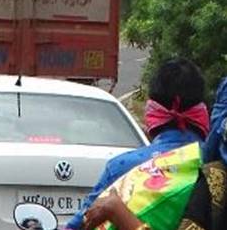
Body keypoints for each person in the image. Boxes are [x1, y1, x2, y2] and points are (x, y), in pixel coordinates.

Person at [66, 58, 209, 230]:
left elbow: (79, 225)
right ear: (203, 111)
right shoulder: (216, 167)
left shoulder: (122, 167)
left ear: (151, 113)